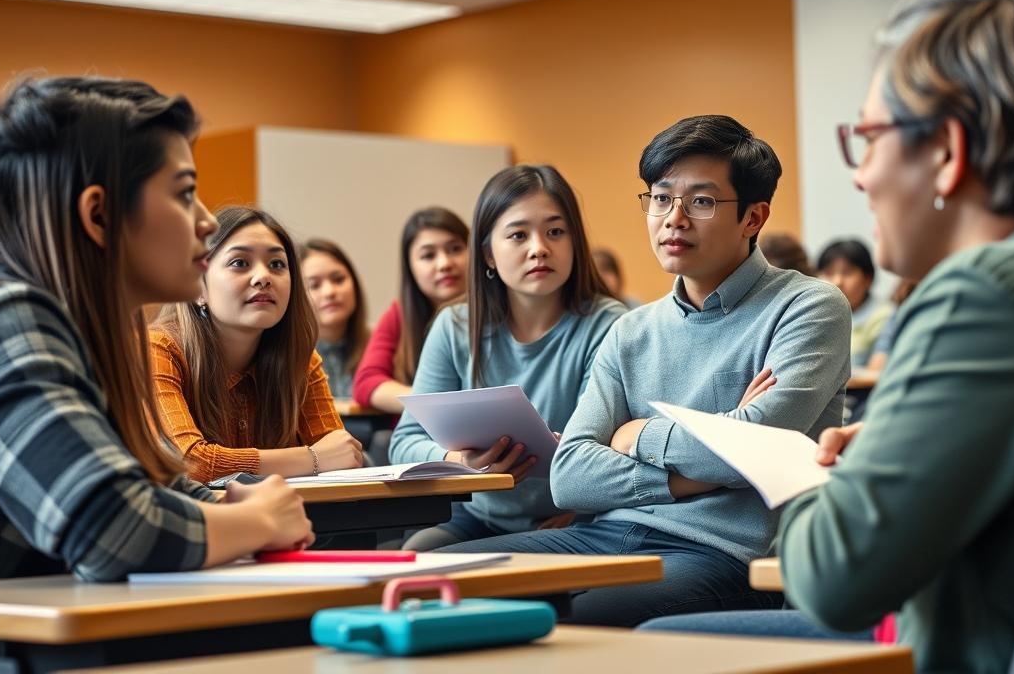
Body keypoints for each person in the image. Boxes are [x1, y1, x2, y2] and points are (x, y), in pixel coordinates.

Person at [646, 0, 1014, 673]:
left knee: (666, 646)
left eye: (869, 137)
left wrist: (813, 476)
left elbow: (836, 583)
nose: (861, 174)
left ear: (949, 153)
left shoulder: (984, 296)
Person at [0, 77, 315, 672]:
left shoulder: (71, 326)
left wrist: (225, 497)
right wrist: (253, 520)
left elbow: (141, 484)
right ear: (98, 213)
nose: (203, 222)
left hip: (4, 646)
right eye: (184, 193)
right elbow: (113, 531)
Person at [440, 115, 852, 628]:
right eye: (660, 199)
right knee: (436, 577)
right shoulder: (631, 329)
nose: (673, 219)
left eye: (701, 201)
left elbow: (755, 450)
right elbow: (569, 477)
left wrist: (634, 435)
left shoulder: (809, 307)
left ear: (753, 217)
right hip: (602, 537)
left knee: (581, 622)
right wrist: (705, 457)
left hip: (724, 553)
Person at [390, 166, 625, 549]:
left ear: (575, 243)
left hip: (579, 519)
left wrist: (582, 514)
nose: (539, 248)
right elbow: (406, 441)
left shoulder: (609, 326)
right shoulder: (454, 326)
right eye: (518, 235)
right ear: (488, 253)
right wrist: (455, 459)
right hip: (478, 515)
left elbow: (598, 452)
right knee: (416, 554)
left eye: (555, 232)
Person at [150, 207, 363, 484]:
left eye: (277, 264)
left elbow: (342, 456)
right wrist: (313, 458)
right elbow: (190, 463)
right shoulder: (156, 348)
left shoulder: (301, 359)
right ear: (197, 287)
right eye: (240, 263)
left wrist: (323, 456)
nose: (263, 277)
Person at [352, 207, 469, 413]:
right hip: (419, 434)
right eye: (428, 256)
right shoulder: (401, 314)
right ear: (411, 267)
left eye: (455, 249)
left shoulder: (505, 307)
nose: (444, 263)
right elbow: (367, 382)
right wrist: (434, 405)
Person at [300, 239, 368, 400]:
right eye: (314, 285)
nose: (329, 292)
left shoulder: (380, 343)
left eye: (338, 279)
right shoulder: (287, 355)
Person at [817, 238, 891, 366]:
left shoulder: (885, 317)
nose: (837, 281)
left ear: (868, 278)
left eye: (847, 273)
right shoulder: (813, 314)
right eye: (829, 273)